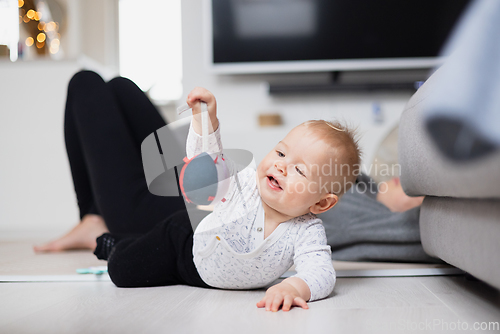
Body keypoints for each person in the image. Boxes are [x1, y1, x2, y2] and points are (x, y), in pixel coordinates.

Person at [34, 71, 362, 312]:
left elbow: (320, 272)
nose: (280, 166)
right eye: (279, 153)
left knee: (85, 82)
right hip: (184, 232)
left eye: (300, 170)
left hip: (190, 241)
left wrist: (294, 286)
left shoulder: (306, 231)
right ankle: (102, 226)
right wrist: (206, 122)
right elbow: (207, 169)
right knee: (120, 87)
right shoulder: (246, 183)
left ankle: (107, 235)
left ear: (321, 202)